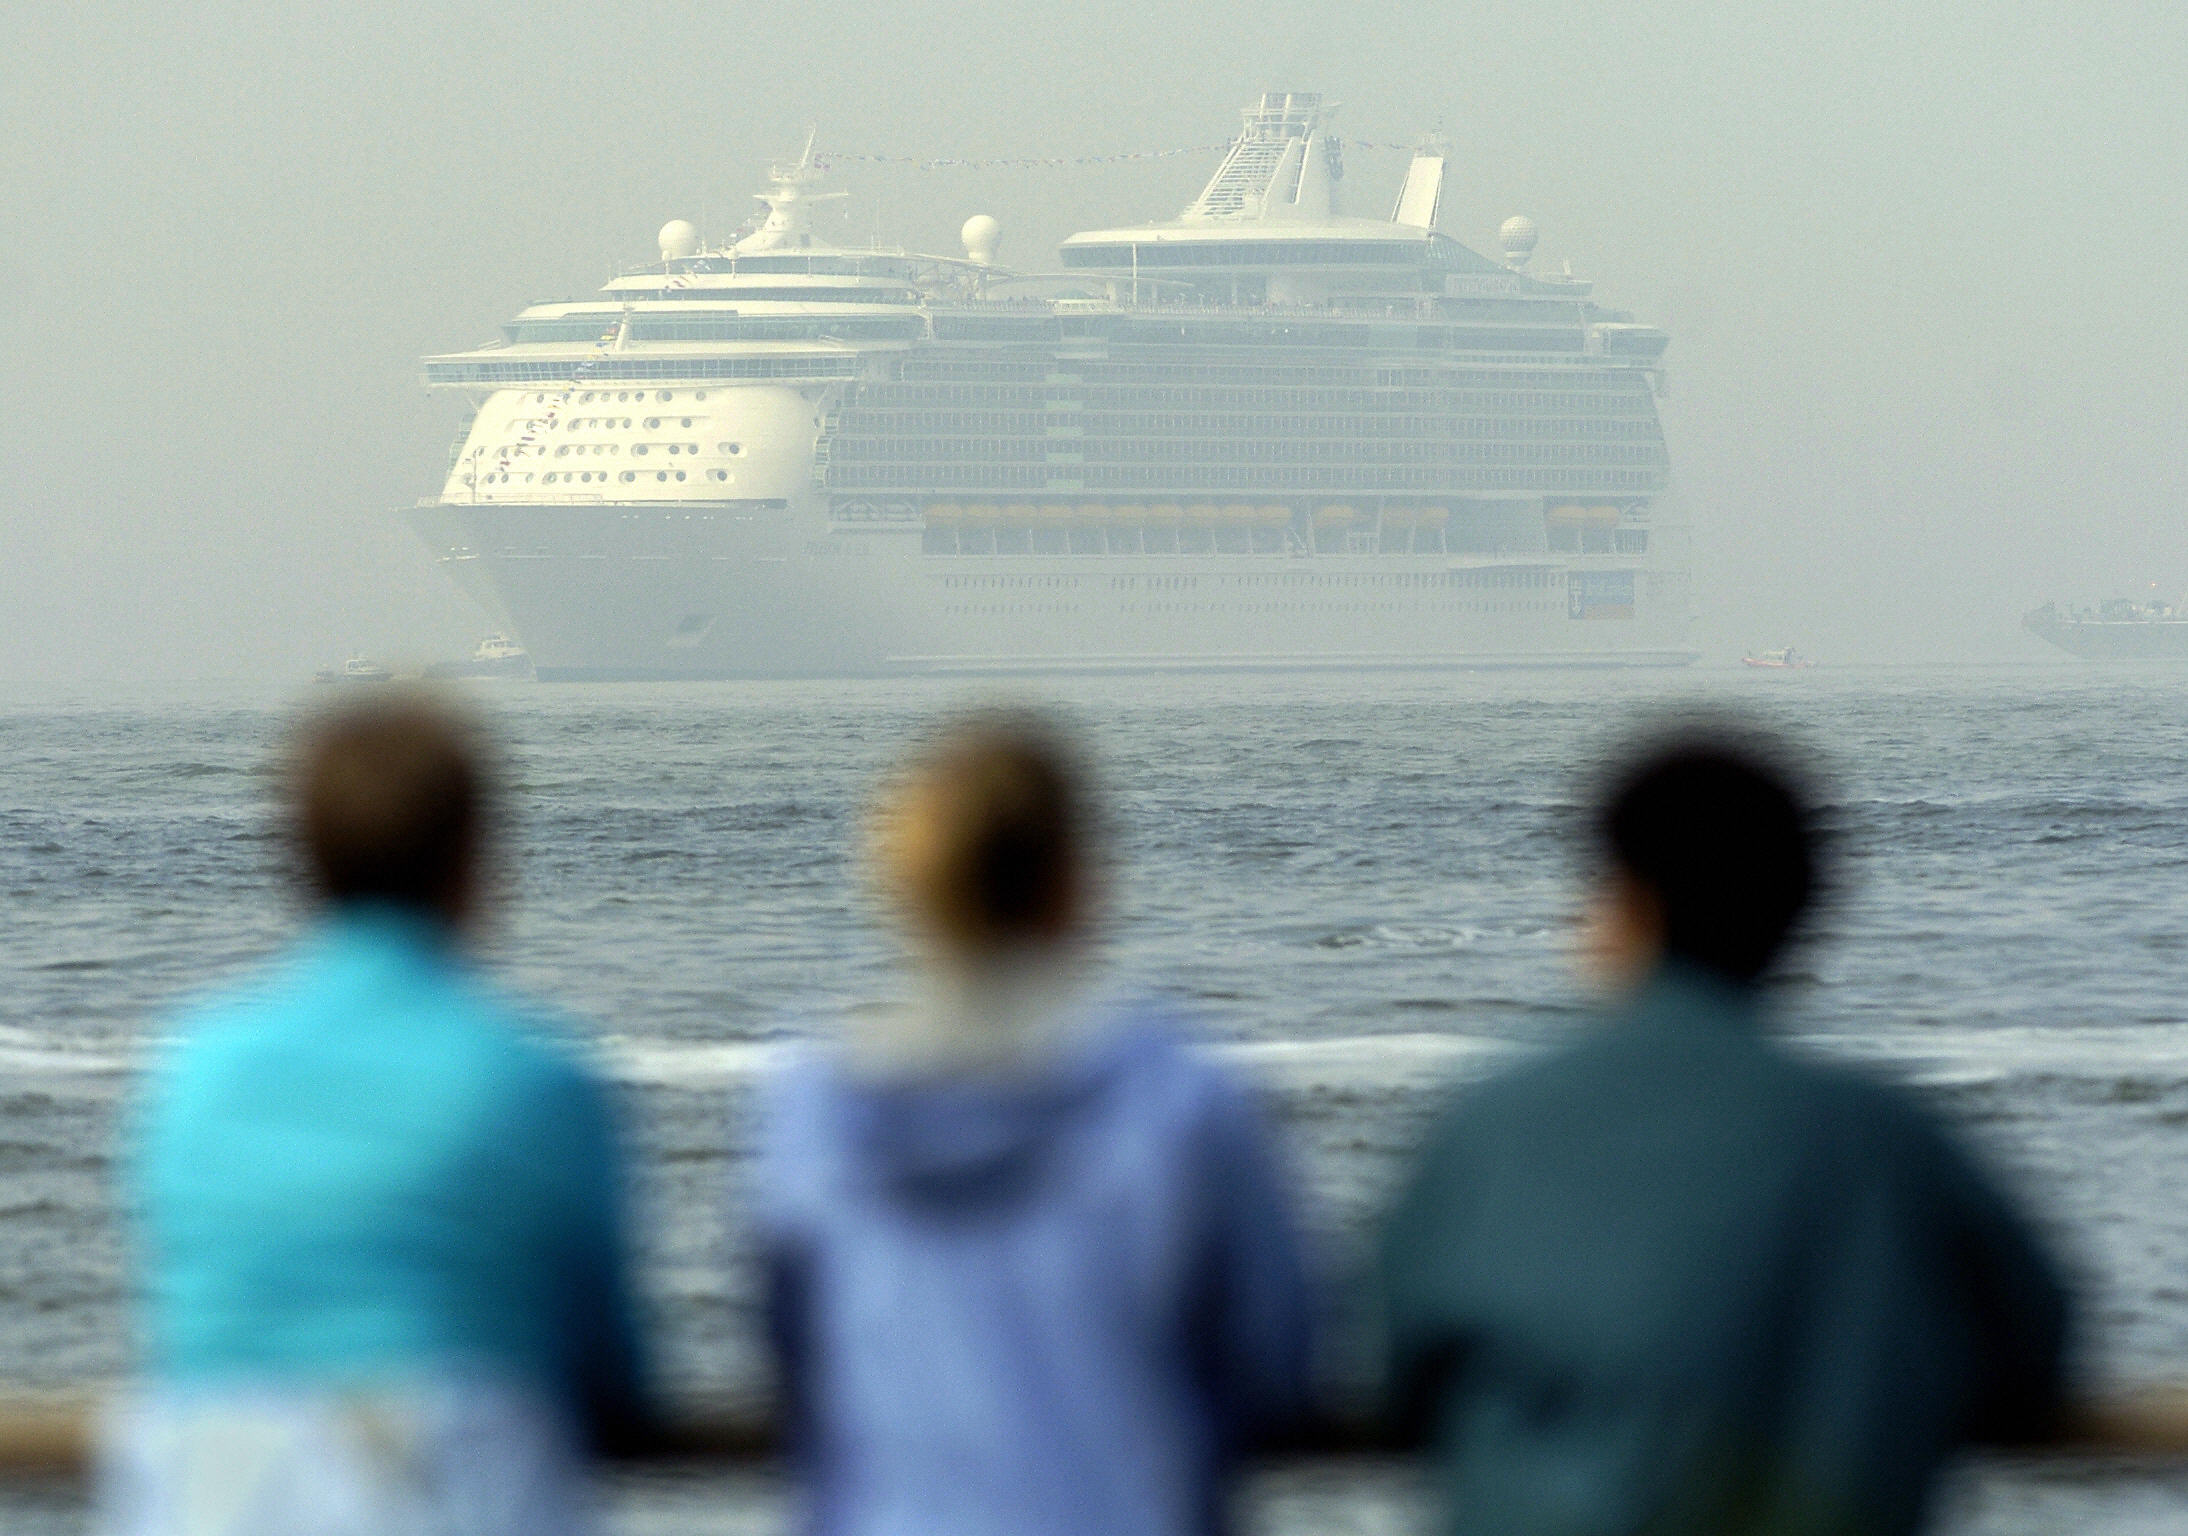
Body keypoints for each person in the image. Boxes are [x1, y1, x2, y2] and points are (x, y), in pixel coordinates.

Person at [1378, 731, 2074, 1536]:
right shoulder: (1886, 1136)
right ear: (1804, 909)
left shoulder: (1492, 1120)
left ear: (1632, 903)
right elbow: (2034, 1351)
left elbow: (1404, 1369)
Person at [751, 711, 1318, 1536]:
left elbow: (795, 1364)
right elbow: (1273, 1357)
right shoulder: (1175, 1094)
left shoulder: (812, 1108)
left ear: (906, 882)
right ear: (1076, 880)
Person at [98, 694, 653, 1536]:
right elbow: (611, 1369)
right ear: (473, 862)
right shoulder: (535, 1080)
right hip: (455, 1486)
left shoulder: (193, 1073)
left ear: (302, 857)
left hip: (216, 1488)